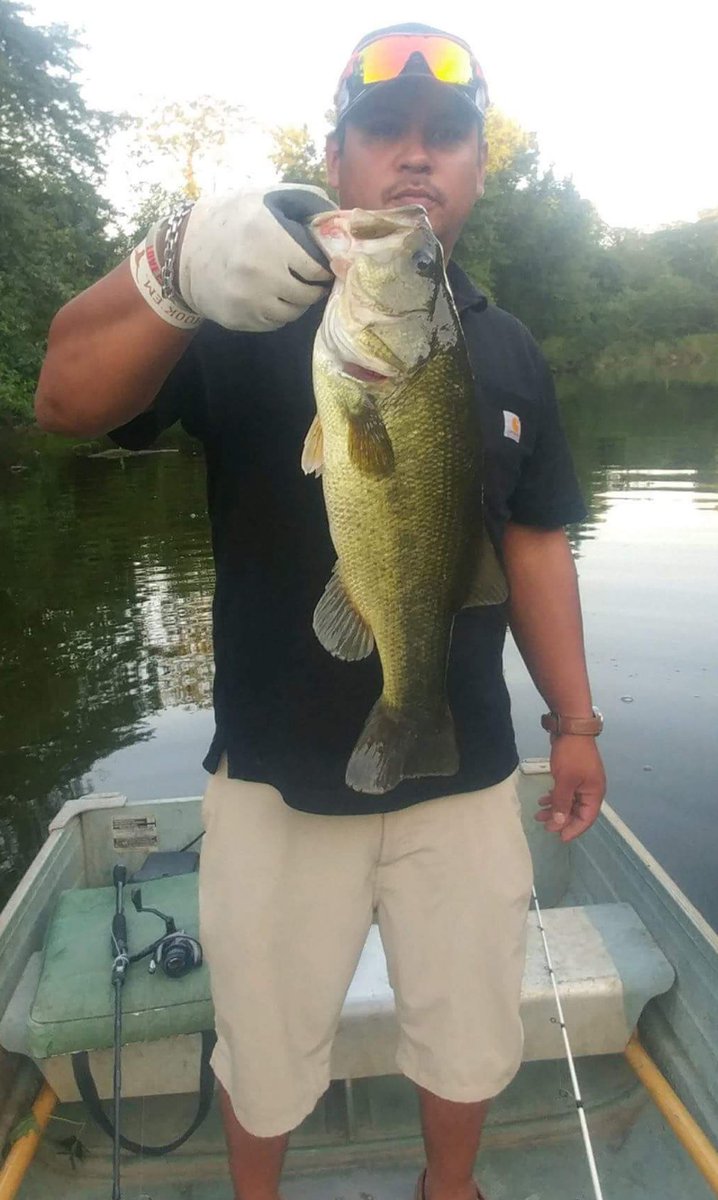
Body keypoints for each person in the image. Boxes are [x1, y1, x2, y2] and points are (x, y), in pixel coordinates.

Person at [35, 23, 606, 1200]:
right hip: (275, 774)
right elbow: (62, 400)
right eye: (382, 133)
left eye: (443, 139)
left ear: (475, 170)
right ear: (334, 156)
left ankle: (447, 1190)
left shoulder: (504, 346)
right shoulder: (242, 306)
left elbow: (536, 541)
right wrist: (177, 260)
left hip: (461, 767)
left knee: (470, 1032)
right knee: (266, 1046)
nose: (414, 160)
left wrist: (576, 722)